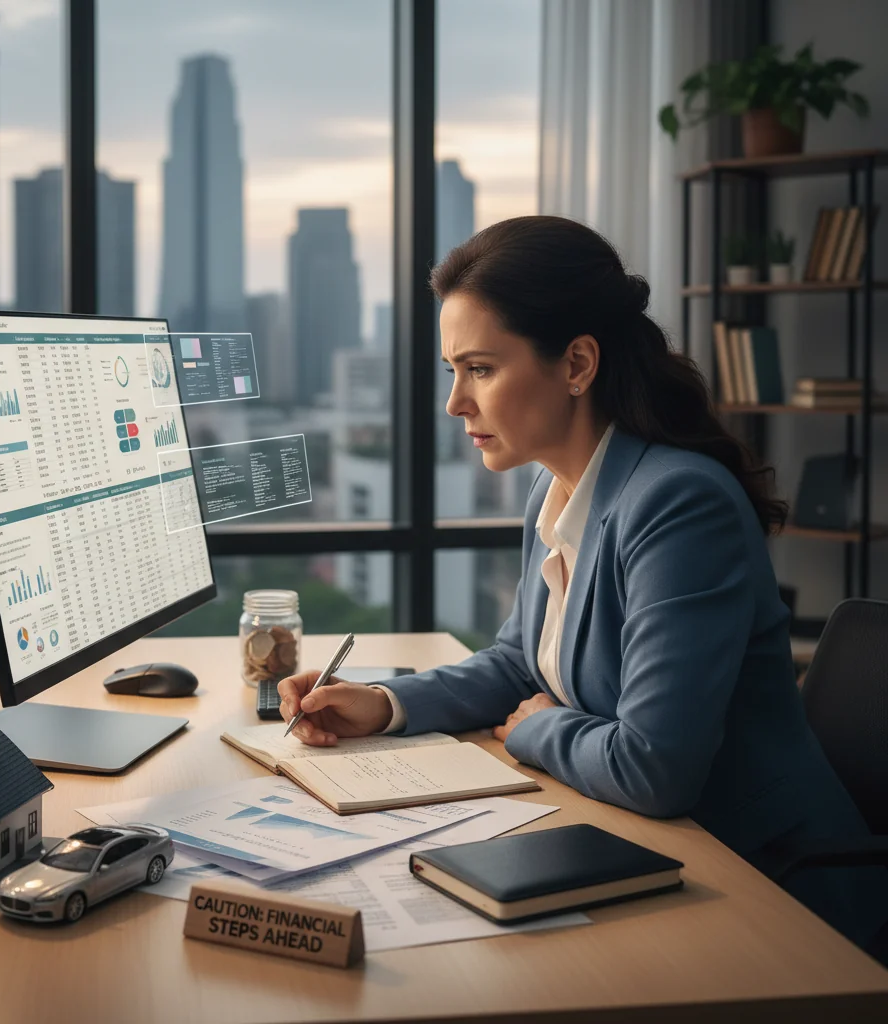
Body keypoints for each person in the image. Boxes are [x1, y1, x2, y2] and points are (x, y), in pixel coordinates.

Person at [278, 215, 888, 954]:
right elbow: (516, 664)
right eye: (453, 371)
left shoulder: (678, 503)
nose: (456, 404)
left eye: (481, 369)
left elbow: (653, 768)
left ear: (576, 364)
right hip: (652, 857)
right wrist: (384, 704)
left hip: (774, 894)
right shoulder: (556, 488)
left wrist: (539, 728)